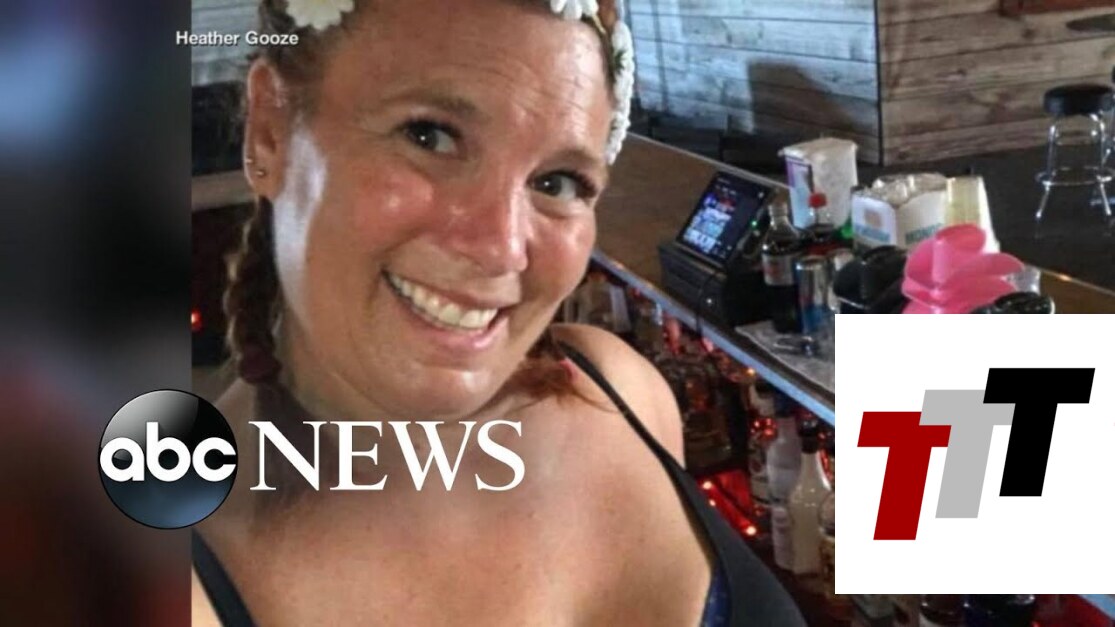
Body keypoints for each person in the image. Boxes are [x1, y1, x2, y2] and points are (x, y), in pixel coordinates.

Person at [192, 0, 805, 625]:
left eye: (557, 182)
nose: (501, 247)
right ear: (270, 132)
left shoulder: (616, 389)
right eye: (429, 136)